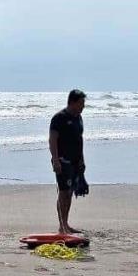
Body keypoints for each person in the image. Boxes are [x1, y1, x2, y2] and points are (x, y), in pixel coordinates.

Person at [49, 89, 87, 234]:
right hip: (62, 161)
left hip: (75, 161)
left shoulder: (79, 118)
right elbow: (52, 140)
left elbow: (80, 139)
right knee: (63, 192)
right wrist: (56, 160)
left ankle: (65, 223)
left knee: (70, 193)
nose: (83, 106)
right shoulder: (59, 118)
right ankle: (62, 226)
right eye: (81, 103)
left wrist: (82, 159)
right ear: (72, 102)